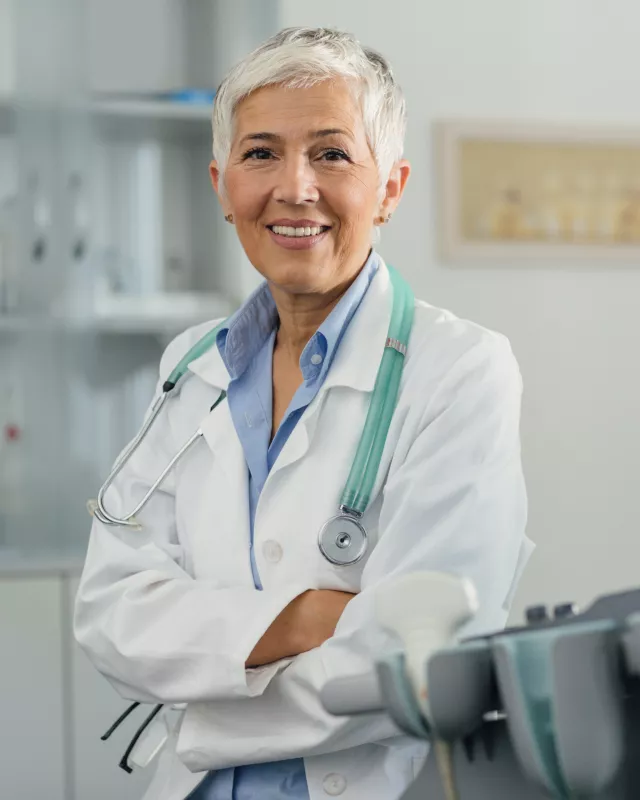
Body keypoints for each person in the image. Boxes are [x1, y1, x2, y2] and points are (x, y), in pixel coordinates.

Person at [74, 26, 532, 800]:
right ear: (222, 185)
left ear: (390, 186)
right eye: (260, 154)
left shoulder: (460, 369)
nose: (295, 187)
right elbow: (110, 614)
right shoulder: (192, 367)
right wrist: (301, 619)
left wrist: (197, 711)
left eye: (331, 153)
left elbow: (414, 663)